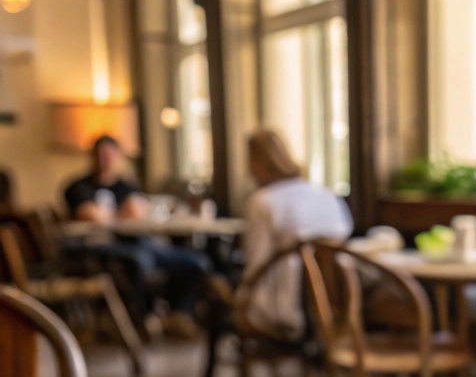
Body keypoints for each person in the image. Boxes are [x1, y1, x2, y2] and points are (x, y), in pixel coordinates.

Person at [63, 136, 211, 319]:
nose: (105, 160)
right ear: (92, 156)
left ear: (118, 157)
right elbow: (89, 214)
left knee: (194, 261)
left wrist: (110, 213)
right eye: (101, 155)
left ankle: (178, 315)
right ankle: (143, 318)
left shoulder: (127, 186)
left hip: (137, 242)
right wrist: (120, 212)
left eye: (110, 155)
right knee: (140, 261)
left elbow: (137, 211)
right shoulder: (77, 187)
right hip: (97, 247)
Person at [241, 129, 353, 339]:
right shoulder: (325, 195)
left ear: (256, 163)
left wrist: (241, 296)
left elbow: (257, 261)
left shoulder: (261, 201)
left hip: (288, 304)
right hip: (338, 300)